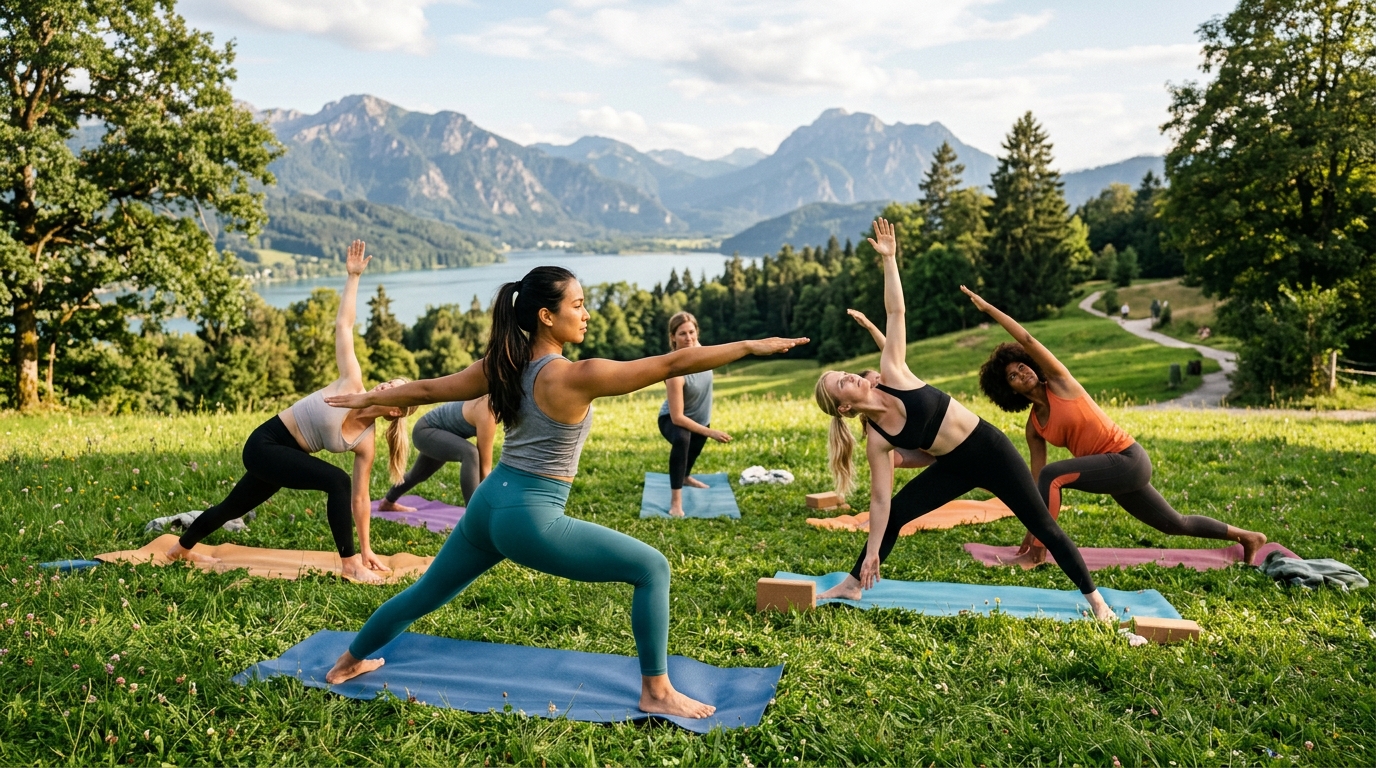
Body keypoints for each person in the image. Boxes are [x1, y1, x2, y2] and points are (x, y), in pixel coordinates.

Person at [319, 265, 807, 718]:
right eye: (577, 305)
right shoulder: (576, 375)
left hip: (490, 503)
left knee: (426, 592)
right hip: (530, 516)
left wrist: (369, 398)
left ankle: (347, 662)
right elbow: (670, 362)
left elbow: (426, 391)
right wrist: (748, 346)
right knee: (652, 567)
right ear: (546, 316)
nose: (586, 313)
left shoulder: (502, 363)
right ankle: (656, 691)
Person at [812, 218, 1116, 622]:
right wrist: (870, 553)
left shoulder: (893, 371)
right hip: (953, 466)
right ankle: (853, 584)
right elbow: (881, 501)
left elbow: (895, 310)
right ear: (845, 408)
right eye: (840, 385)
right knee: (899, 511)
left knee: (1044, 526)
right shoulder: (878, 439)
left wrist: (890, 261)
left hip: (990, 450)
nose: (848, 376)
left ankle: (1096, 601)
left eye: (842, 373)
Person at [166, 241, 415, 584]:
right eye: (389, 381)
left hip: (286, 457)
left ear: (394, 412)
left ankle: (179, 550)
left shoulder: (365, 441)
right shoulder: (350, 381)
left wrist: (369, 549)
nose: (387, 386)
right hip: (266, 443)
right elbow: (344, 326)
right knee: (335, 480)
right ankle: (348, 564)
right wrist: (353, 277)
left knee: (231, 508)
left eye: (396, 390)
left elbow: (359, 500)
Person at [964, 286, 1268, 566]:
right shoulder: (1034, 427)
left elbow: (1028, 340)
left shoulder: (1060, 382)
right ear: (1009, 390)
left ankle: (1040, 554)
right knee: (1175, 524)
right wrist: (1030, 530)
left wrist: (989, 309)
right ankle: (1248, 537)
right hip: (1114, 472)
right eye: (1013, 377)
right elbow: (1036, 486)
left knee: (1053, 475)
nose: (1022, 373)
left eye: (1022, 366)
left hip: (1128, 459)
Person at [658, 311, 731, 517]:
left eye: (691, 332)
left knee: (693, 449)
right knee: (683, 439)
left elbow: (727, 351)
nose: (688, 337)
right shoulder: (674, 371)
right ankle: (676, 502)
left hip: (700, 419)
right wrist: (711, 433)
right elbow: (677, 417)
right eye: (682, 334)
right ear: (673, 337)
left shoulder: (703, 352)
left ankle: (685, 476)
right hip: (673, 419)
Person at [379, 395, 496, 509]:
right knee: (470, 453)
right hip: (426, 430)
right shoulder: (487, 409)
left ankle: (387, 502)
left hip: (442, 433)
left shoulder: (495, 407)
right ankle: (474, 517)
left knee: (419, 474)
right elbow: (485, 468)